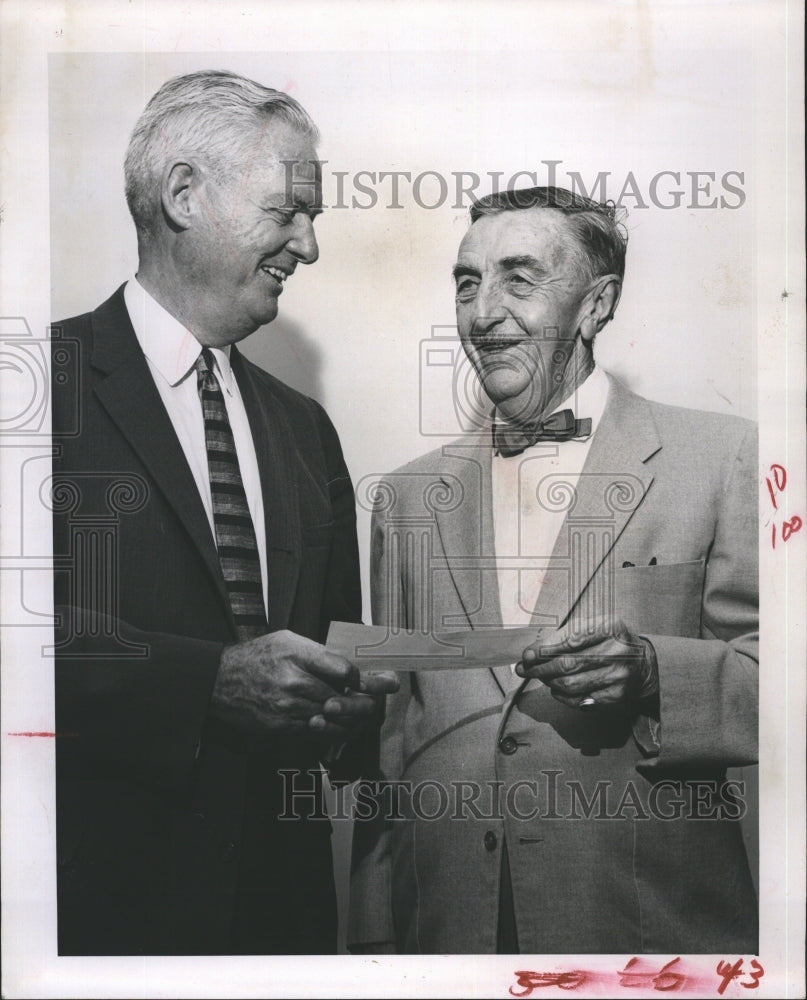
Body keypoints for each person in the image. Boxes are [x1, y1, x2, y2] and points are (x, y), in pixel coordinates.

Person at [348, 186, 758, 954]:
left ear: (596, 305)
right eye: (466, 282)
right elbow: (391, 735)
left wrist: (652, 672)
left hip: (647, 934)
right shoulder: (402, 498)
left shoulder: (725, 457)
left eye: (518, 278)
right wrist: (372, 936)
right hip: (447, 934)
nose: (482, 312)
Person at [50, 69, 397, 956]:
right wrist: (205, 683)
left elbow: (329, 651)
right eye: (288, 212)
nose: (309, 247)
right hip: (95, 922)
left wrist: (346, 712)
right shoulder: (32, 390)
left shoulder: (306, 431)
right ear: (182, 194)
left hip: (283, 917)